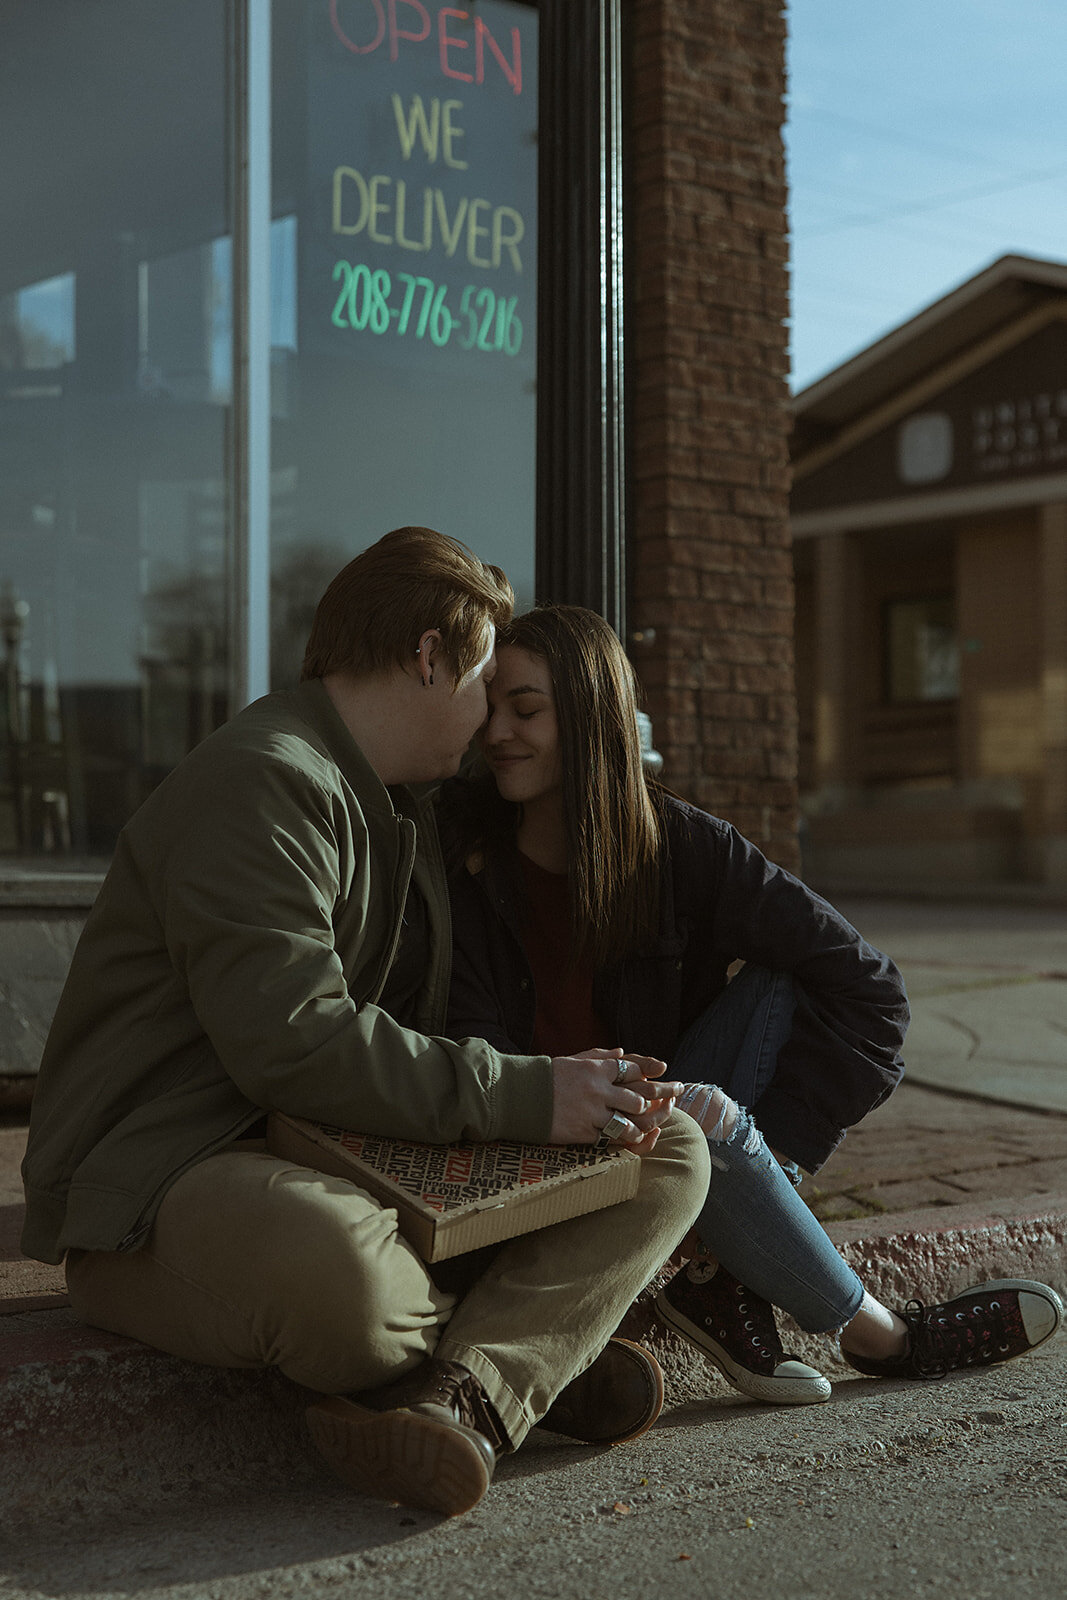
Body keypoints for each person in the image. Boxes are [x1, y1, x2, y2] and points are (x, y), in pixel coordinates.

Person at [20, 529, 712, 1519]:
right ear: (429, 656)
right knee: (344, 1282)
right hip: (159, 1180)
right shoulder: (262, 779)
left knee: (665, 1145)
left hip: (337, 1146)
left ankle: (465, 1396)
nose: (486, 725)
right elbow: (293, 1041)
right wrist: (523, 1093)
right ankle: (518, 1370)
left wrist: (563, 1102)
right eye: (482, 683)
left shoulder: (402, 810)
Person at [443, 603, 1064, 1402]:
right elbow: (472, 1050)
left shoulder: (682, 846)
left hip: (661, 1129)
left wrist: (769, 1158)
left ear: (592, 717)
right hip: (537, 1136)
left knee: (783, 991)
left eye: (523, 709)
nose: (495, 731)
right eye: (488, 706)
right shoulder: (459, 850)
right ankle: (887, 1337)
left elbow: (868, 991)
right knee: (699, 1115)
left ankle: (719, 1261)